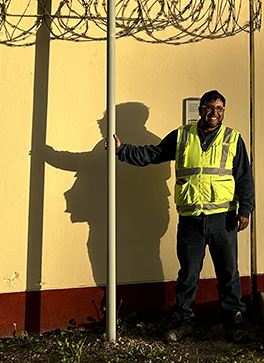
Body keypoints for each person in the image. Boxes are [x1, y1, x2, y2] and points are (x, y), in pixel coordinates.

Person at [106, 89, 254, 342]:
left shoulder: (233, 138)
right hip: (191, 220)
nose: (214, 113)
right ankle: (183, 322)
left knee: (229, 275)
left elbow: (244, 177)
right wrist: (122, 150)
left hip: (224, 219)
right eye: (209, 107)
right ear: (200, 110)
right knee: (188, 275)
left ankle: (234, 323)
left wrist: (245, 210)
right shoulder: (182, 135)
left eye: (219, 108)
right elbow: (153, 154)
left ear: (223, 112)